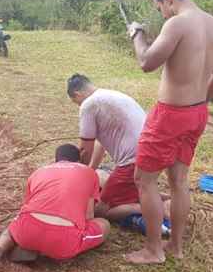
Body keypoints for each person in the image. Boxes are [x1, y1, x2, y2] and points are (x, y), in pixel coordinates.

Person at [125, 0, 213, 264]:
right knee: (179, 180)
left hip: (171, 115)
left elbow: (146, 62)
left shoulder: (178, 23)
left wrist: (137, 34)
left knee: (144, 180)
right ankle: (176, 246)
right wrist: (199, 104)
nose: (163, 13)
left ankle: (153, 250)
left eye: (160, 7)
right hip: (198, 113)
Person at [0, 144, 110, 272]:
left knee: (18, 221)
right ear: (78, 160)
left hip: (27, 231)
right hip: (63, 241)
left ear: (56, 160)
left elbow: (27, 206)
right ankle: (44, 251)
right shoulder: (89, 172)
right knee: (104, 224)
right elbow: (89, 216)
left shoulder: (38, 172)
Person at [67, 74, 172, 229]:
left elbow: (85, 149)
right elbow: (99, 145)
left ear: (77, 94)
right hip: (153, 152)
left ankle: (156, 210)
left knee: (101, 210)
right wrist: (90, 170)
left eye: (76, 102)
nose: (78, 106)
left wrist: (79, 175)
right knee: (133, 189)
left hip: (133, 160)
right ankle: (168, 199)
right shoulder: (110, 95)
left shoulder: (88, 105)